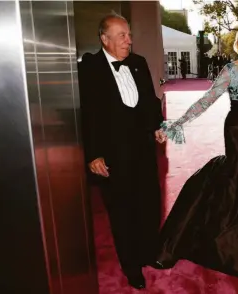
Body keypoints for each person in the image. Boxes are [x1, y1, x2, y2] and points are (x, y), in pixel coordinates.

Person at [154, 22, 238, 279]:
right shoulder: (231, 70)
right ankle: (229, 243)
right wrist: (177, 122)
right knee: (236, 178)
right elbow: (206, 100)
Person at [78, 13, 166, 290]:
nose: (129, 40)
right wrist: (93, 154)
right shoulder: (90, 69)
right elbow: (86, 115)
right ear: (104, 40)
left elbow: (151, 103)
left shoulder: (138, 63)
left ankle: (149, 252)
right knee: (123, 213)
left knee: (149, 206)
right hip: (113, 156)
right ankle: (131, 267)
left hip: (142, 150)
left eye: (129, 34)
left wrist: (157, 126)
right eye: (122, 36)